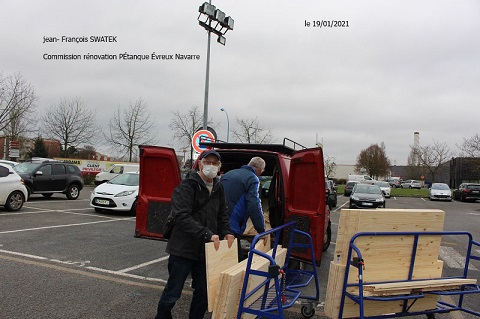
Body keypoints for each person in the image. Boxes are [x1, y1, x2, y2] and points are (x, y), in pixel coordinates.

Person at [155, 149, 235, 319]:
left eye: (215, 163)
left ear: (219, 167)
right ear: (200, 163)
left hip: (206, 251)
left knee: (204, 292)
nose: (211, 166)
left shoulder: (218, 188)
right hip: (183, 249)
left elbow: (222, 214)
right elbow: (181, 217)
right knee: (173, 292)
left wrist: (227, 232)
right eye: (208, 162)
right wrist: (206, 233)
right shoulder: (187, 186)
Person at [220, 157, 267, 259]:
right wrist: (261, 230)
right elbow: (254, 206)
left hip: (218, 223)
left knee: (220, 257)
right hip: (232, 226)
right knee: (235, 260)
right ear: (260, 170)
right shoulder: (252, 179)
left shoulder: (228, 174)